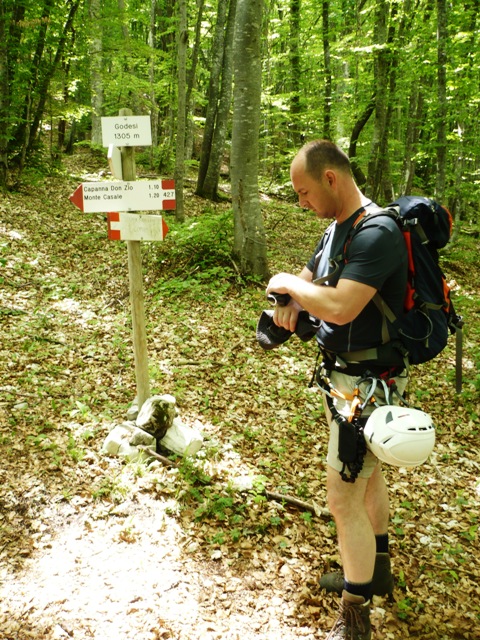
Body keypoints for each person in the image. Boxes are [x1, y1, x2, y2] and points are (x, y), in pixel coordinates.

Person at [266, 140, 409, 640]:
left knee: (341, 497)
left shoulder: (377, 232)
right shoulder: (334, 232)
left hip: (368, 387)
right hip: (343, 378)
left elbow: (342, 306)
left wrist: (291, 285)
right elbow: (306, 286)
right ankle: (377, 569)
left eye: (304, 192)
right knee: (366, 480)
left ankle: (355, 614)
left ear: (331, 179)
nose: (301, 202)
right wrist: (288, 299)